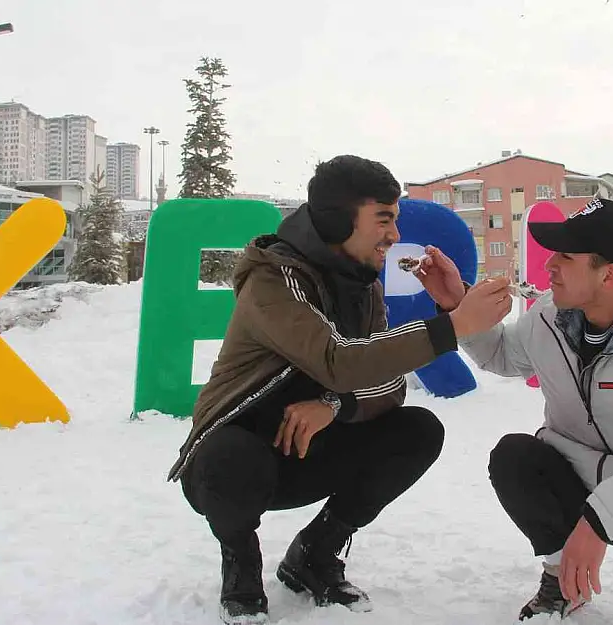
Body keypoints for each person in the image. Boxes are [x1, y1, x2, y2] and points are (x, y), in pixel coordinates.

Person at [166, 155, 513, 624]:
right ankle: (241, 564)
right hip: (237, 459)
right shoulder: (273, 277)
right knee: (229, 458)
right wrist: (450, 327)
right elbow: (337, 359)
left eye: (396, 218)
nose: (394, 234)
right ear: (337, 220)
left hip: (310, 449)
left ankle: (314, 553)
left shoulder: (362, 281)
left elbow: (387, 383)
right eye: (383, 219)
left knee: (416, 430)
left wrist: (335, 405)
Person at [413, 197, 613, 625]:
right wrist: (457, 304)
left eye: (566, 257)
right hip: (569, 472)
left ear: (609, 274)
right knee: (514, 457)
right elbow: (503, 356)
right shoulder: (549, 316)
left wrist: (602, 516)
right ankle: (560, 575)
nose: (549, 266)